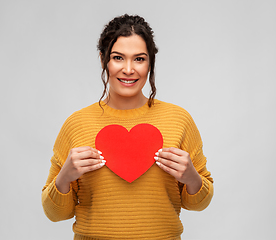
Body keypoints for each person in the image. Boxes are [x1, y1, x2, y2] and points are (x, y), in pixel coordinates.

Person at [42, 14, 214, 240]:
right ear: (103, 59)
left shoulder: (179, 119)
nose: (129, 69)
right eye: (118, 58)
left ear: (150, 62)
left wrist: (192, 178)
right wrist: (64, 178)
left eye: (139, 59)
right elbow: (55, 213)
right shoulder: (77, 124)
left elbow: (199, 204)